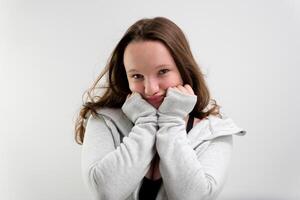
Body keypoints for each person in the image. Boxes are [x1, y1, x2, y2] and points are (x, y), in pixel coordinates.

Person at [74, 16, 246, 200]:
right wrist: (146, 123)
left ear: (183, 69)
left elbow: (193, 196)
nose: (150, 89)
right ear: (126, 78)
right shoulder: (104, 121)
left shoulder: (214, 132)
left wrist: (171, 121)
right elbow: (105, 192)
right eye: (137, 76)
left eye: (162, 72)